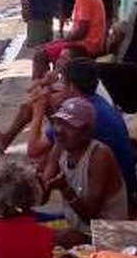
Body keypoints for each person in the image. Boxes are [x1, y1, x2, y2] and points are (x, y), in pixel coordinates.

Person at [27, 58, 137, 208]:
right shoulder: (95, 102)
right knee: (50, 154)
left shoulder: (84, 116)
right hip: (125, 189)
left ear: (72, 87)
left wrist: (38, 111)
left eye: (62, 83)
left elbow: (33, 150)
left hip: (114, 206)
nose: (58, 87)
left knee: (44, 157)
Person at [38, 97, 129, 246]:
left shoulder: (100, 156)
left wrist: (65, 189)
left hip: (106, 234)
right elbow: (41, 197)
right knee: (27, 224)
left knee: (55, 237)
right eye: (59, 123)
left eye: (68, 126)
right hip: (76, 225)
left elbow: (90, 217)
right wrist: (35, 182)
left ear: (86, 131)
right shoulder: (60, 146)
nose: (60, 130)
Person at [32, 0, 107, 79]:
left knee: (40, 55)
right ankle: (48, 85)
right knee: (45, 49)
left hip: (86, 47)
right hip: (88, 44)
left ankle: (40, 89)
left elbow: (82, 31)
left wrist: (62, 41)